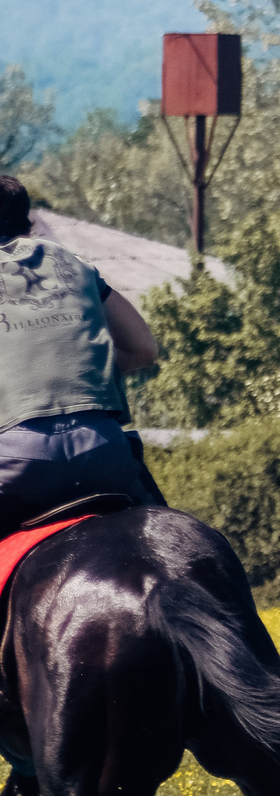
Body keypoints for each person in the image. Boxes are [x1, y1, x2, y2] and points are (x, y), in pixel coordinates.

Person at [0, 176, 161, 536]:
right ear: (28, 224)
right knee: (175, 546)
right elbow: (144, 349)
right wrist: (92, 369)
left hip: (18, 464)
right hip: (104, 452)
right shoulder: (71, 261)